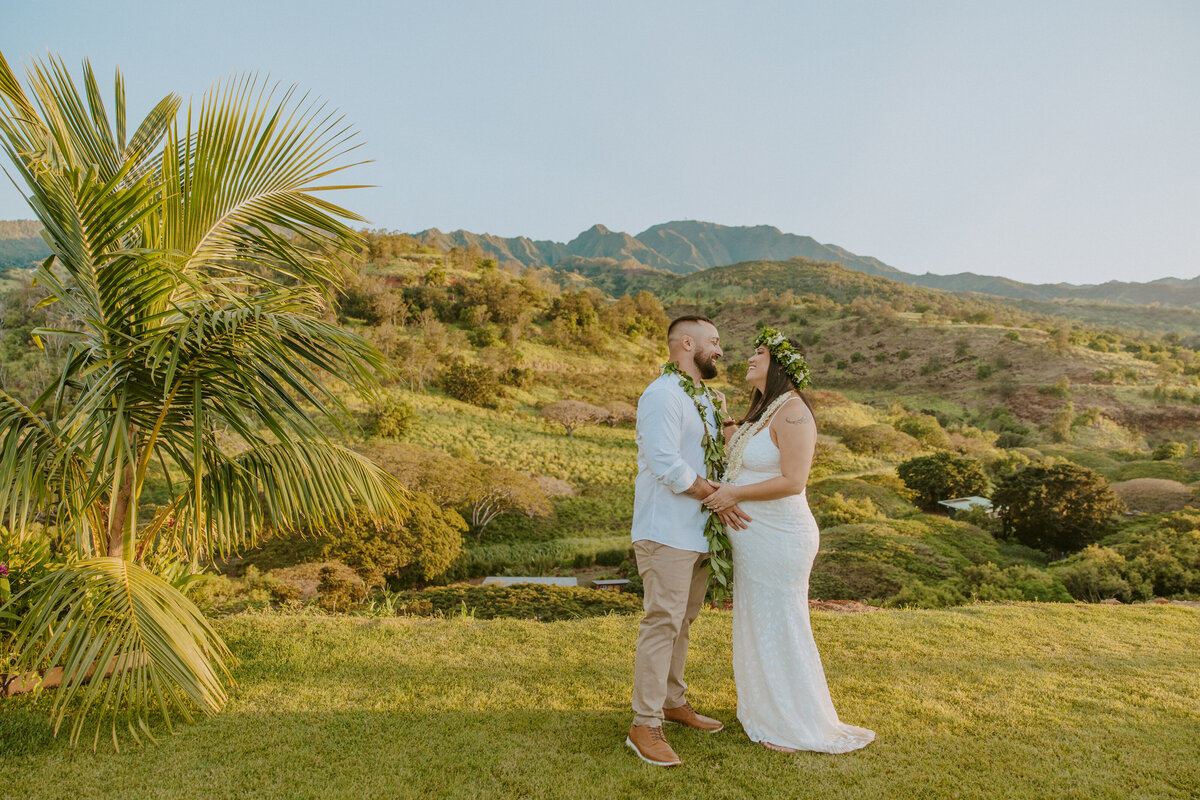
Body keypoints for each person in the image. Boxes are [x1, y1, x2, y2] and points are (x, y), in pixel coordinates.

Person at [703, 328, 875, 754]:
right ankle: (766, 710)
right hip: (754, 538)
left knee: (780, 622)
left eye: (758, 353)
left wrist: (733, 494)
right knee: (757, 621)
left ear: (779, 365)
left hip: (780, 538)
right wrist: (724, 415)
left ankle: (792, 721)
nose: (749, 359)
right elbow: (741, 452)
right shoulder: (765, 410)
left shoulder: (794, 411)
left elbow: (794, 480)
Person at [625, 315, 751, 767]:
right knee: (662, 622)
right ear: (685, 342)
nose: (720, 350)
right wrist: (718, 496)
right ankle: (644, 723)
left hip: (699, 531)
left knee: (683, 621)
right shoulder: (661, 394)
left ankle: (673, 702)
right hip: (667, 532)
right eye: (714, 342)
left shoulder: (703, 396)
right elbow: (665, 463)